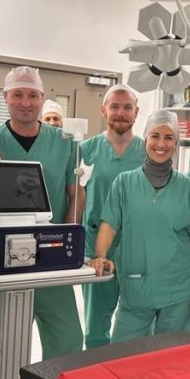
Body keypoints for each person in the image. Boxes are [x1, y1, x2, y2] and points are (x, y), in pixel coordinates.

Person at [0, 66, 83, 359]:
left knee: (68, 338)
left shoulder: (64, 142)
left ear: (42, 98)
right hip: (4, 258)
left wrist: (70, 240)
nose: (25, 102)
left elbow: (75, 194)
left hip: (52, 253)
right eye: (18, 95)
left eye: (33, 95)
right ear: (6, 98)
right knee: (13, 345)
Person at [88, 110, 190, 343]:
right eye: (155, 136)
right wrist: (99, 255)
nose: (161, 144)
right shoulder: (124, 183)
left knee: (169, 360)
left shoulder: (188, 188)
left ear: (176, 144)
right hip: (136, 287)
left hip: (179, 288)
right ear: (145, 140)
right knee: (120, 355)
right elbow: (109, 224)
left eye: (168, 137)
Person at [80, 84, 146, 348]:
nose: (121, 113)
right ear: (103, 110)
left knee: (139, 320)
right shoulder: (86, 150)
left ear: (136, 112)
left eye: (127, 107)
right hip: (96, 245)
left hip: (137, 246)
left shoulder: (149, 151)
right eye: (115, 106)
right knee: (96, 324)